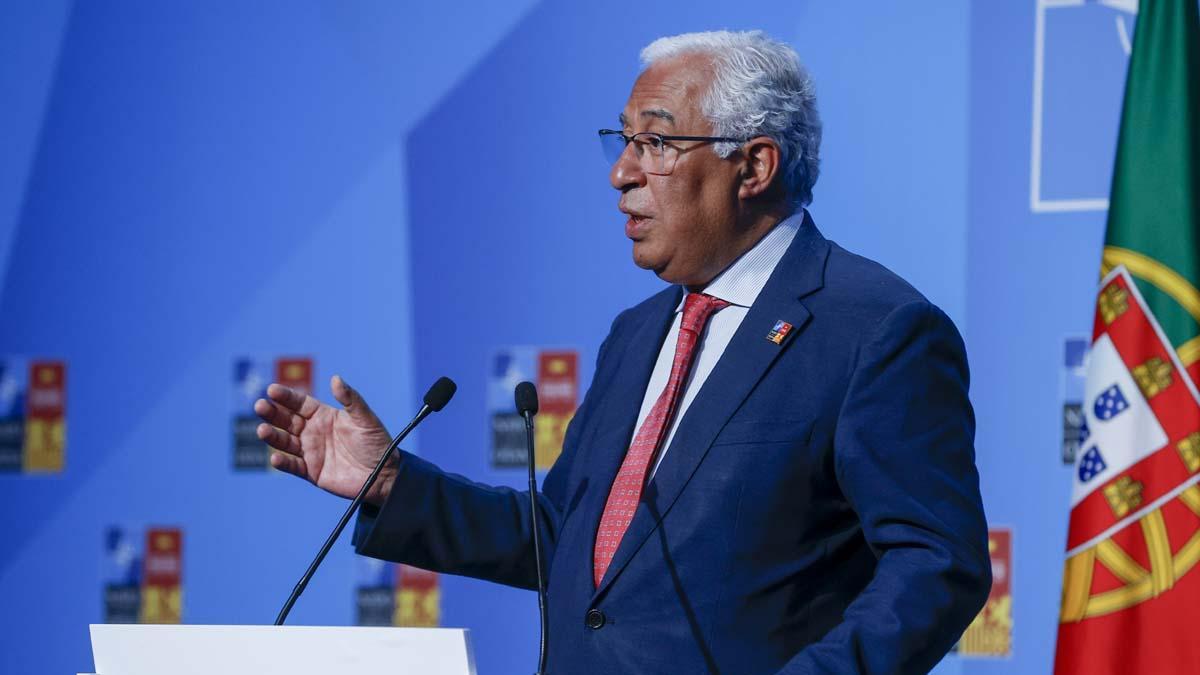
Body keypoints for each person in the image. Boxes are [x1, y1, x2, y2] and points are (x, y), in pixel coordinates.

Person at [255, 30, 991, 674]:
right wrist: (391, 483)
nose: (622, 173)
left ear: (755, 166)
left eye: (658, 143)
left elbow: (935, 564)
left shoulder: (875, 328)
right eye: (625, 141)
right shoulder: (638, 332)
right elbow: (565, 537)